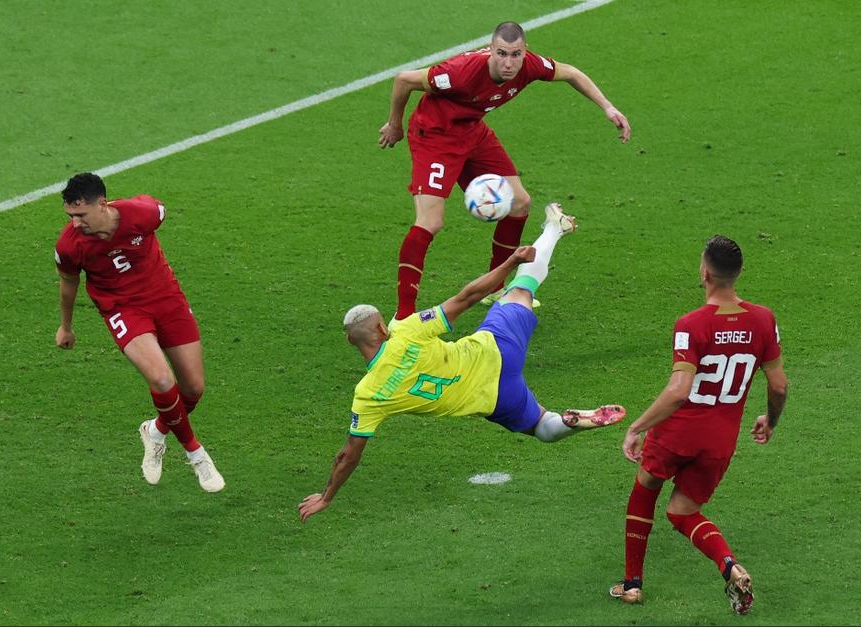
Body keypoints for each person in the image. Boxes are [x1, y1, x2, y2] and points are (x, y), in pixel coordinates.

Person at [298, 202, 626, 523]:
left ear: (350, 341)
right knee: (522, 288)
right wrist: (511, 261)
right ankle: (554, 228)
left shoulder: (369, 396)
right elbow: (467, 297)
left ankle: (568, 423)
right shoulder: (407, 331)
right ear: (383, 328)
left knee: (542, 427)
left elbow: (349, 454)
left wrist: (327, 496)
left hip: (495, 398)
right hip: (496, 347)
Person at [378, 21, 631, 322]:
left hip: (472, 131)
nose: (509, 63)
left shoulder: (530, 66)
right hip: (435, 135)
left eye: (515, 55)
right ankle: (403, 315)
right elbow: (404, 80)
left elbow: (571, 73)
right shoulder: (459, 72)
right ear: (491, 50)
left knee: (520, 203)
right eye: (501, 54)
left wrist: (608, 107)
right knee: (431, 221)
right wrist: (394, 124)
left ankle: (494, 287)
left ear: (525, 52)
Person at [608, 235, 788, 614]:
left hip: (678, 432)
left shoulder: (691, 324)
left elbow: (678, 391)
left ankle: (632, 585)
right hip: (720, 442)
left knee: (646, 487)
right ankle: (730, 566)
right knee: (682, 512)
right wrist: (769, 421)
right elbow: (778, 385)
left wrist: (637, 427)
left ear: (704, 272)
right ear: (739, 273)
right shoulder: (764, 319)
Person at [53, 172, 225, 493]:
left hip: (166, 299)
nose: (75, 223)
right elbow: (69, 283)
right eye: (70, 215)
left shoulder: (141, 214)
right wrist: (66, 326)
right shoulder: (70, 245)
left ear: (102, 204)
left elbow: (159, 209)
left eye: (81, 214)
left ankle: (155, 431)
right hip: (123, 309)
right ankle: (197, 455)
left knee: (193, 388)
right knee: (162, 380)